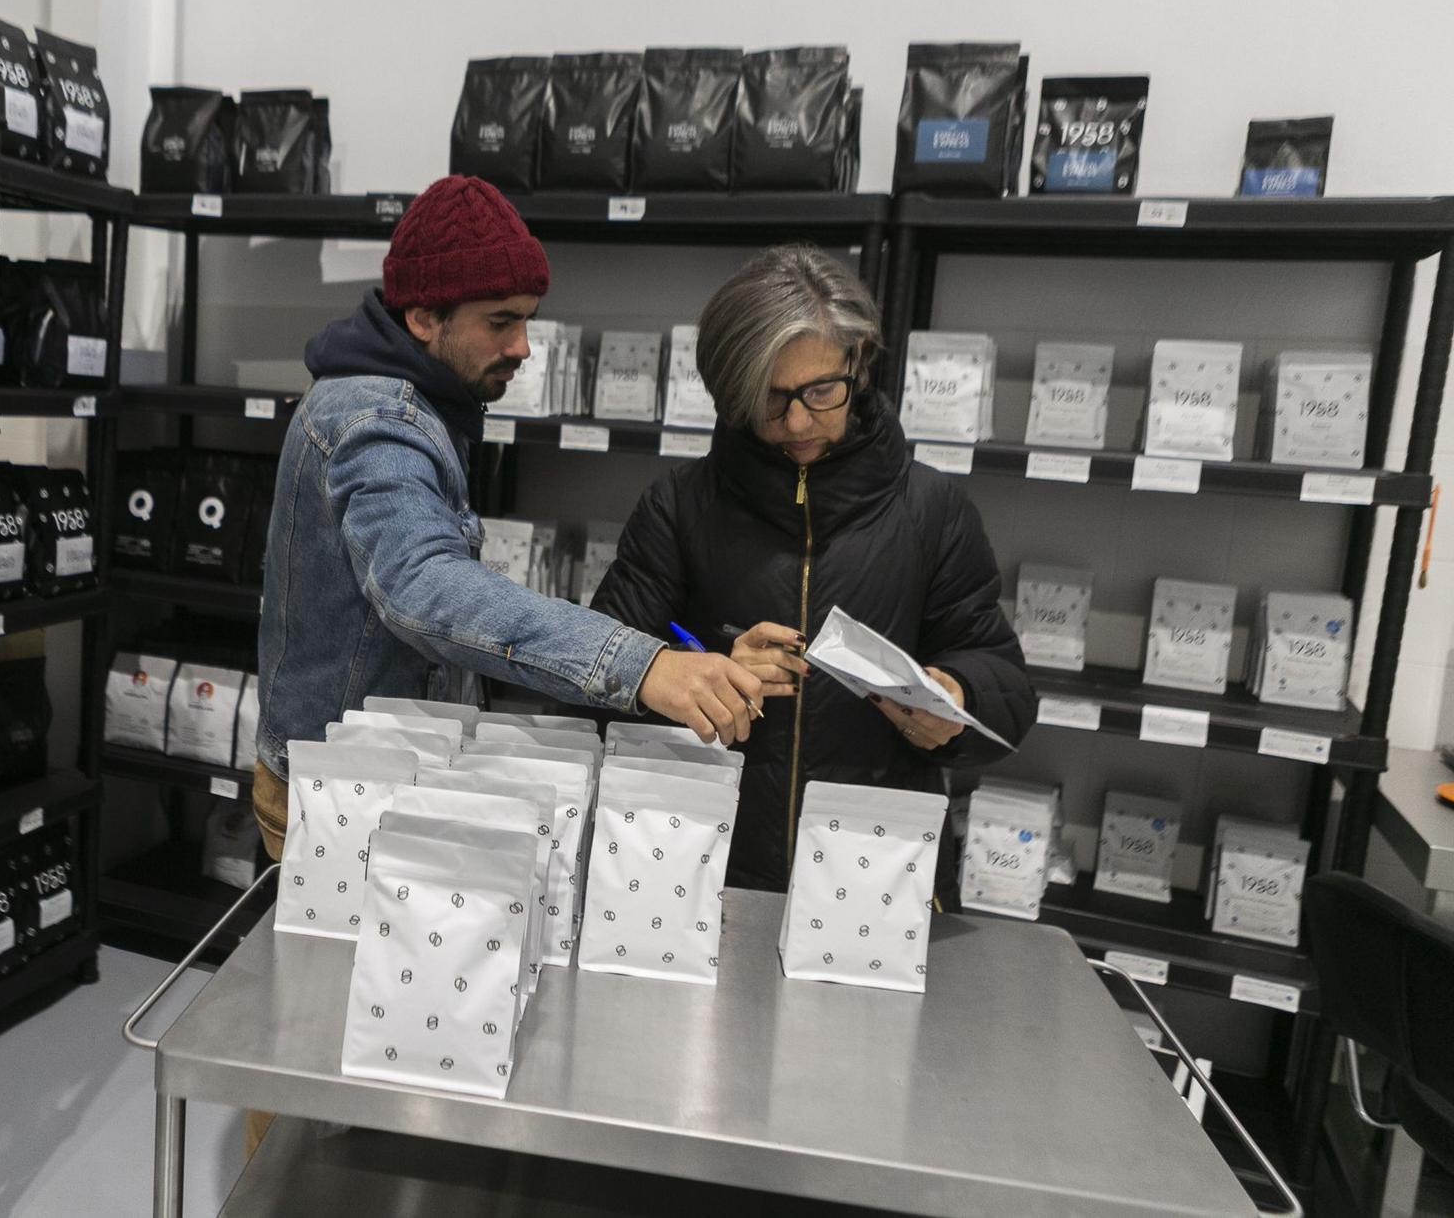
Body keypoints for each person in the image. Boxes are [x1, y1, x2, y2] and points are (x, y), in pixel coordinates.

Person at [251, 175, 765, 860]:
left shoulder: (416, 397)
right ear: (424, 318)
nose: (524, 345)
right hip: (341, 797)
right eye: (500, 321)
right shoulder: (380, 420)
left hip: (373, 772)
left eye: (527, 317)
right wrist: (639, 665)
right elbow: (422, 584)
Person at [593, 244, 1037, 893]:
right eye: (769, 399)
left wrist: (957, 700)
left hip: (878, 881)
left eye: (821, 391)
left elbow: (1009, 690)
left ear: (857, 364)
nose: (797, 420)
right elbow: (594, 680)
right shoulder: (679, 506)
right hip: (701, 876)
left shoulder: (933, 509)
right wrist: (702, 671)